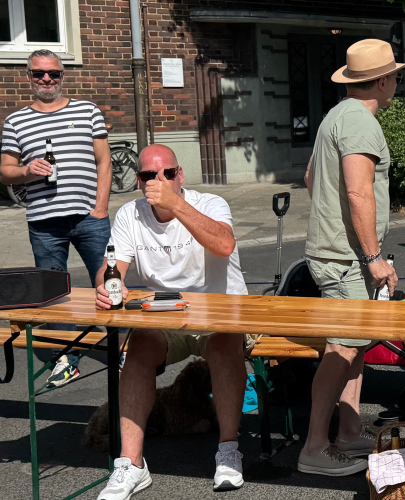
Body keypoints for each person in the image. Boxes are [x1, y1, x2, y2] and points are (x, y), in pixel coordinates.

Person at [94, 144, 247, 499]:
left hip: (220, 311)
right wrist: (105, 284)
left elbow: (224, 245)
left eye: (167, 173)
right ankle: (131, 464)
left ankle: (228, 449)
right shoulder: (130, 214)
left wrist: (176, 205)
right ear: (138, 181)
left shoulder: (210, 203)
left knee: (224, 344)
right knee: (139, 347)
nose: (159, 180)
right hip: (166, 314)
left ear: (181, 175)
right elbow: (112, 268)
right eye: (150, 175)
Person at [299, 39, 405, 476]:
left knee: (355, 346)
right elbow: (359, 192)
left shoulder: (337, 115)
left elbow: (311, 177)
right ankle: (314, 447)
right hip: (346, 258)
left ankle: (347, 432)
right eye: (394, 76)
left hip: (340, 252)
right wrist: (373, 255)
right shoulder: (361, 122)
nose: (396, 83)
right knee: (342, 348)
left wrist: (332, 219)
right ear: (382, 81)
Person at [0, 49, 112, 387]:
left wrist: (101, 207)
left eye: (53, 73)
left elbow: (104, 161)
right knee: (54, 293)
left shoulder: (87, 110)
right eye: (39, 73)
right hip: (45, 222)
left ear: (63, 75)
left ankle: (121, 347)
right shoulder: (16, 121)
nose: (46, 79)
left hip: (90, 217)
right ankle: (67, 357)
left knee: (109, 283)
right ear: (29, 77)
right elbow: (5, 171)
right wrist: (26, 170)